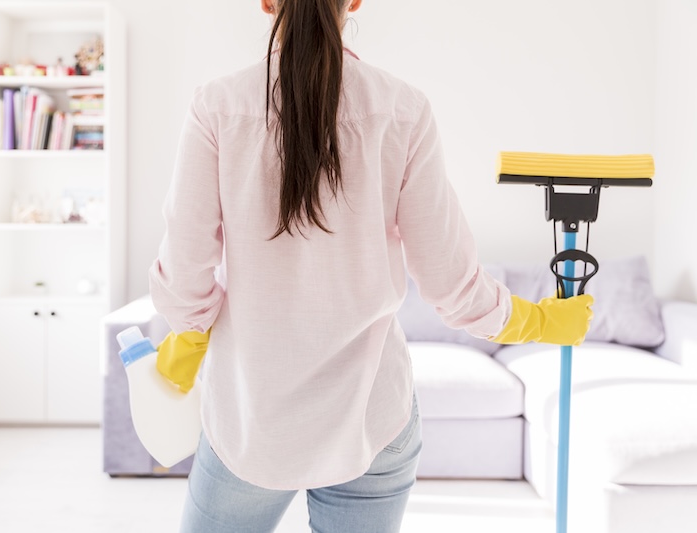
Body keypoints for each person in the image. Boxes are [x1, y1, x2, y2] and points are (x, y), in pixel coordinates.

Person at [149, 1, 594, 531]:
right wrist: (535, 321)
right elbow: (451, 283)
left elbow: (185, 273)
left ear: (266, 2)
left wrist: (189, 334)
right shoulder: (402, 110)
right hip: (372, 420)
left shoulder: (217, 108)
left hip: (251, 424)